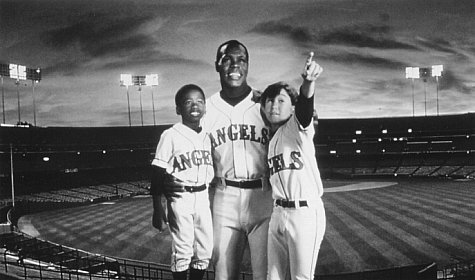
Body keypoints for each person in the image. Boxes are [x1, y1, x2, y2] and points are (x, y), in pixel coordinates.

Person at [156, 40, 273, 280]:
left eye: (241, 59)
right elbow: (181, 146)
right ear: (217, 65)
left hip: (263, 196)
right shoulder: (205, 109)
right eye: (227, 59)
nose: (234, 65)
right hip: (224, 197)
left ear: (248, 65)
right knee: (223, 274)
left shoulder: (266, 105)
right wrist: (166, 180)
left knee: (268, 274)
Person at [260, 53, 326, 280]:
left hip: (304, 213)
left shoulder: (297, 128)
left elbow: (306, 107)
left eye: (280, 100)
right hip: (278, 212)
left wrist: (308, 82)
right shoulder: (272, 140)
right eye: (269, 100)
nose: (273, 105)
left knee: (301, 278)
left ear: (291, 108)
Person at [150, 84, 214, 280]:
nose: (195, 105)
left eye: (199, 101)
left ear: (205, 107)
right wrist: (157, 208)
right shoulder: (170, 135)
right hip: (180, 196)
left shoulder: (207, 136)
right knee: (183, 250)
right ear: (178, 109)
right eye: (188, 102)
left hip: (203, 196)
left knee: (205, 250)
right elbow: (157, 170)